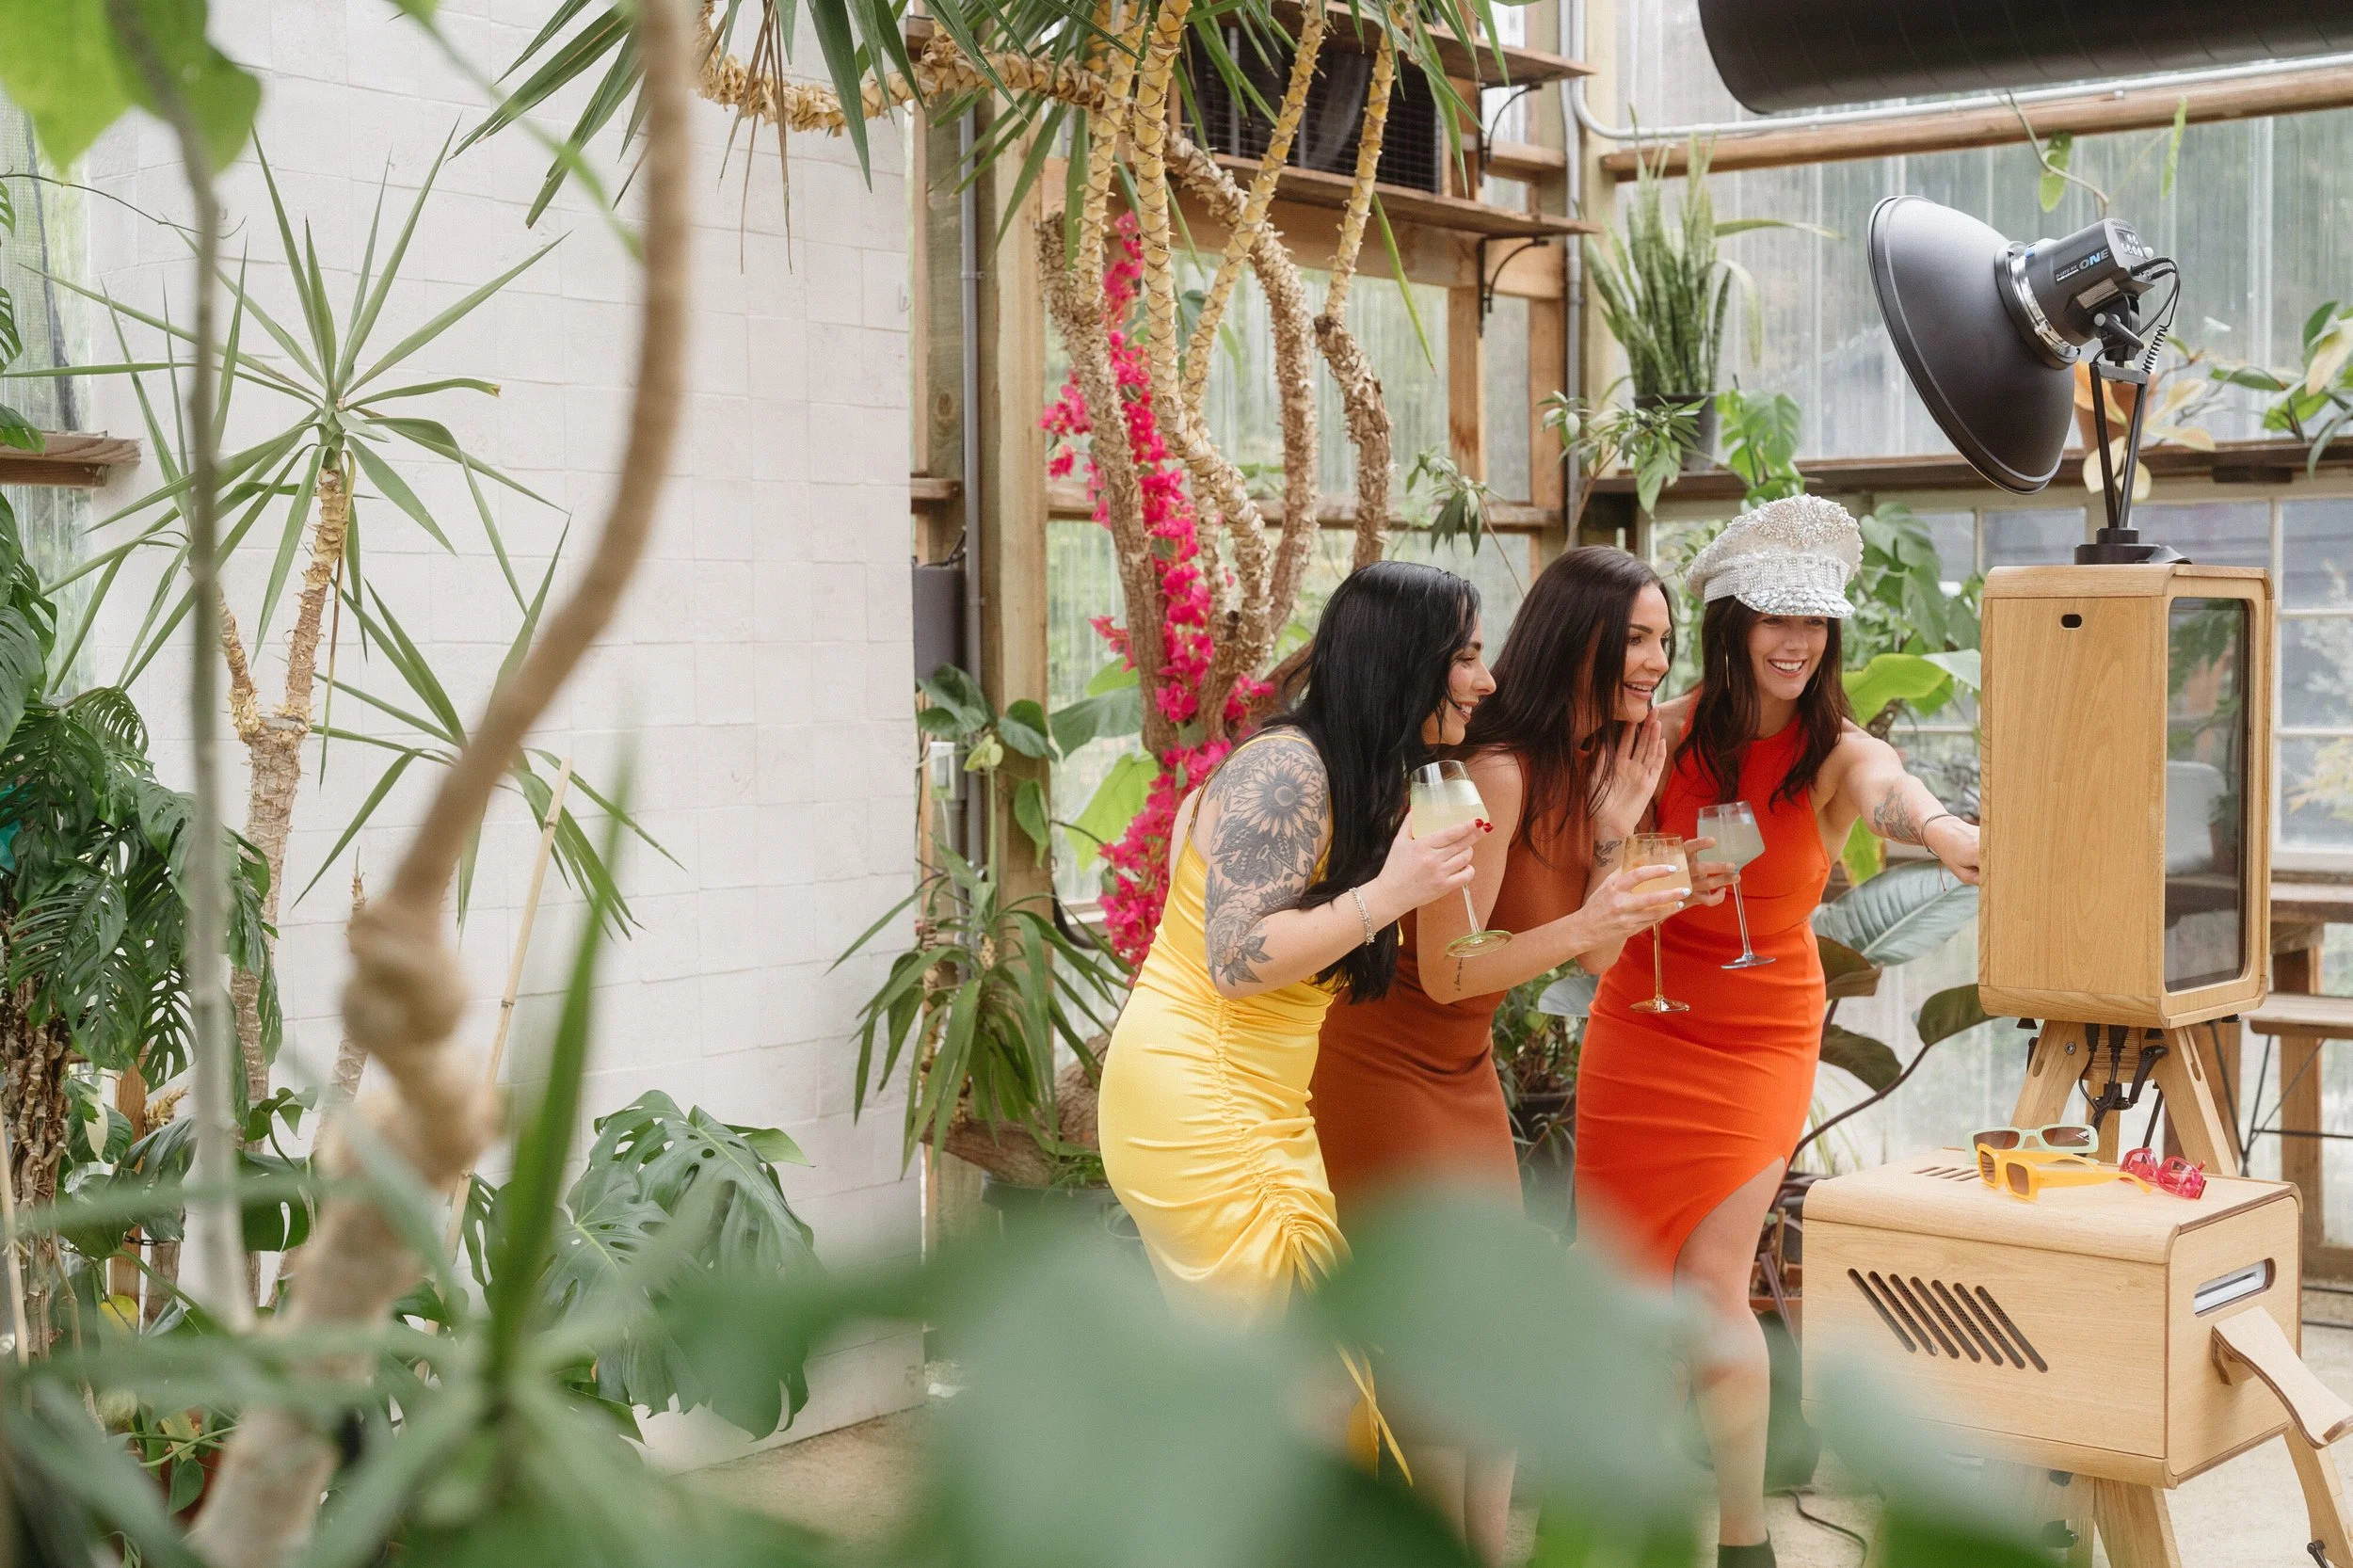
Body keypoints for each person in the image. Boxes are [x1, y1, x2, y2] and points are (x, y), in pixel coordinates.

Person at [1574, 496, 1983, 1568]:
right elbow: (1589, 872)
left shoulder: (1836, 753)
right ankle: (1617, 1514)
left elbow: (1893, 793)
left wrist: (1941, 831)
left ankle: (1744, 1540)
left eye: (1814, 622)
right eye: (1774, 619)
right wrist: (1635, 855)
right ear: (1732, 624)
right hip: (1642, 1022)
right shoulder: (1654, 741)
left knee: (1714, 1280)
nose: (1797, 641)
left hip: (1758, 1037)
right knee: (1611, 1283)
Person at [1310, 546, 1719, 1564]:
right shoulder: (1486, 772)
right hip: (1382, 1065)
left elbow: (1606, 953)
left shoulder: (1597, 776)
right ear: (1574, 639)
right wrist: (1593, 911)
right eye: (1633, 638)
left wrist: (1620, 836)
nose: (1652, 663)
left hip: (1459, 1070)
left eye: (1664, 641)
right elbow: (1453, 967)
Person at [1097, 561, 1492, 1323]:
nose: (1488, 681)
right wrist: (1390, 893)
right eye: (1468, 657)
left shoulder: (1361, 778)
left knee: (1297, 1377)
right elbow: (1234, 959)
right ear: (1405, 665)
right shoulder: (1286, 770)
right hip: (1200, 1091)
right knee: (1297, 1378)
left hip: (1266, 1103)